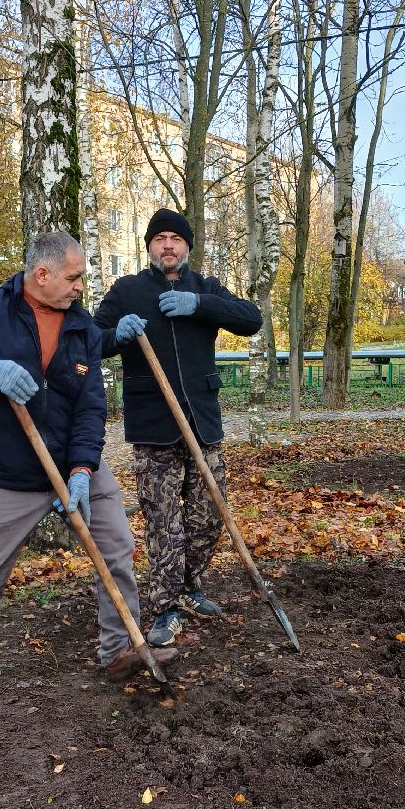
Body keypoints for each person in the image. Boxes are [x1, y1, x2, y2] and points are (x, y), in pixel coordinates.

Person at [0, 231, 177, 708]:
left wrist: (81, 469)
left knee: (116, 546)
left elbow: (91, 405)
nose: (80, 287)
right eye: (74, 278)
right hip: (7, 470)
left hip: (75, 463)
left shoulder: (80, 328)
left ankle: (118, 648)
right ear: (42, 274)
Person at [92, 208, 263, 647]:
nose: (168, 245)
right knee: (163, 523)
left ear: (187, 246)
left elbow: (250, 319)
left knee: (208, 518)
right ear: (148, 246)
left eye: (176, 238)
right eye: (159, 238)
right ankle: (166, 606)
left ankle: (190, 587)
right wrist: (118, 335)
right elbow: (89, 338)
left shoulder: (204, 288)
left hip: (203, 425)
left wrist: (200, 307)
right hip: (154, 429)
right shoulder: (128, 291)